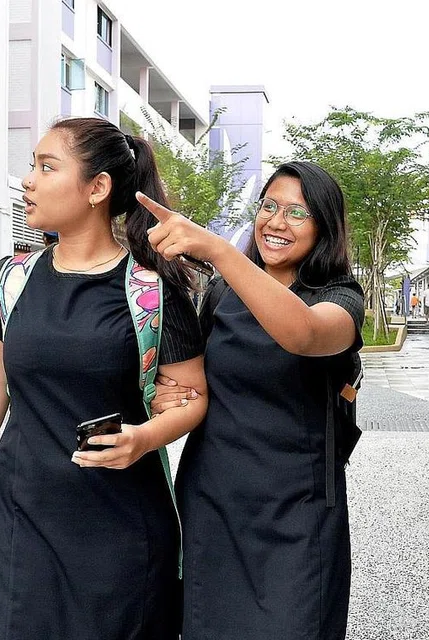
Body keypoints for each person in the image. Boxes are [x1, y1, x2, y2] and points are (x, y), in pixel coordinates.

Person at [0, 117, 208, 639]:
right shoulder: (10, 280)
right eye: (31, 166)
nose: (28, 180)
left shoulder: (151, 290)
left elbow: (192, 398)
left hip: (123, 530)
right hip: (19, 522)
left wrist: (144, 439)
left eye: (46, 166)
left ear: (97, 188)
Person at [138, 160, 365, 640]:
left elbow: (302, 333)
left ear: (324, 226)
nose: (276, 222)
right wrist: (170, 392)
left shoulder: (340, 298)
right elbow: (192, 381)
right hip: (214, 503)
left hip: (297, 513)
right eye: (269, 206)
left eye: (297, 213)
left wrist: (220, 250)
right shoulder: (221, 295)